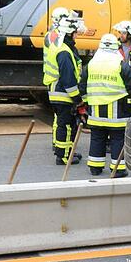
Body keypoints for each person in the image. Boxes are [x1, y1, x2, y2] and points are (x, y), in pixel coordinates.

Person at [80, 33, 131, 177]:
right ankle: (117, 169)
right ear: (116, 48)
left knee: (97, 138)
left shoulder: (90, 65)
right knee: (118, 139)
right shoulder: (121, 65)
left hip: (96, 113)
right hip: (118, 113)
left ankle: (95, 167)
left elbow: (82, 87)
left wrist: (86, 104)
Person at [43, 9, 85, 165]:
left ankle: (67, 153)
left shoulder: (60, 47)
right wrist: (78, 99)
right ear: (69, 33)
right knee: (66, 126)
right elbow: (68, 79)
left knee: (64, 124)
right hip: (62, 94)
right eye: (75, 33)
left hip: (57, 92)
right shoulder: (64, 52)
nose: (76, 36)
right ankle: (64, 157)